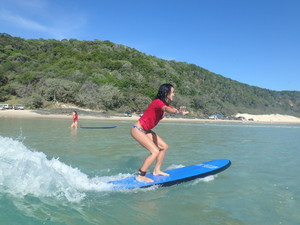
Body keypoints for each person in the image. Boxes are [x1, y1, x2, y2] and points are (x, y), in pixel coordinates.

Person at [131, 83, 189, 182]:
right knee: (155, 151)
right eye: (172, 92)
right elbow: (167, 109)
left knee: (164, 147)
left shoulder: (165, 104)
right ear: (166, 93)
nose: (174, 94)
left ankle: (156, 170)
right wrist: (175, 111)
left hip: (146, 131)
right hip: (138, 129)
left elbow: (169, 108)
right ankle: (141, 174)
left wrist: (179, 112)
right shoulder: (157, 102)